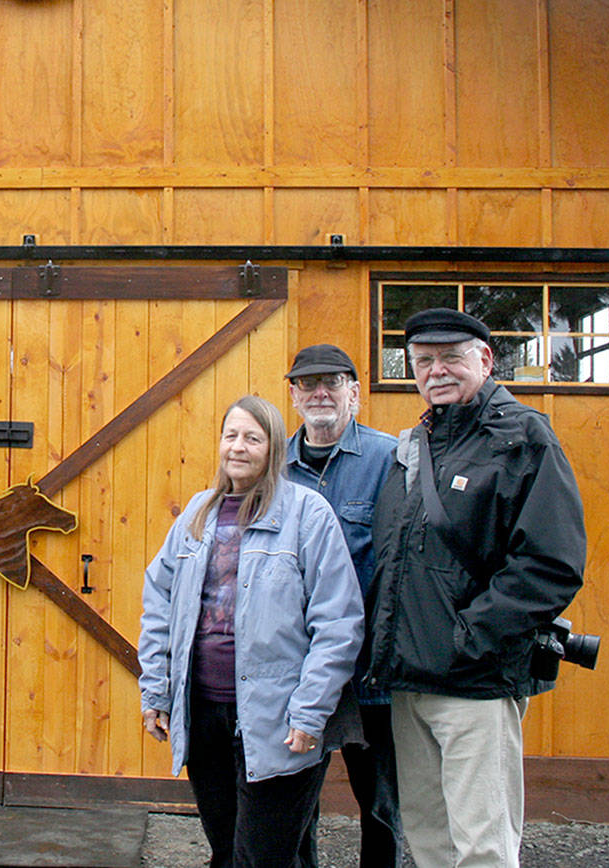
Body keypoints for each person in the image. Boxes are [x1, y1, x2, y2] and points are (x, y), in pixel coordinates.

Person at [365, 309, 586, 867]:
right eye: (423, 361)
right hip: (409, 684)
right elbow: (396, 562)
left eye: (450, 358)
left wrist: (468, 639)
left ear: (485, 359)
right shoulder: (414, 446)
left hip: (475, 683)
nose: (436, 371)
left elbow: (550, 564)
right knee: (429, 838)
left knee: (483, 847)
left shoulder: (523, 438)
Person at [138, 395, 365, 868]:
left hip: (278, 720)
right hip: (204, 715)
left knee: (262, 856)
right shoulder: (198, 515)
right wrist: (155, 692)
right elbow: (159, 603)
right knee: (227, 850)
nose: (238, 447)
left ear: (274, 448)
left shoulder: (308, 514)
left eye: (252, 438)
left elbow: (339, 623)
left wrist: (309, 713)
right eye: (230, 435)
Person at [283, 345, 403, 868]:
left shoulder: (389, 459)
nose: (320, 393)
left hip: (369, 669)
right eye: (307, 385)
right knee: (292, 800)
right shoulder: (272, 468)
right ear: (293, 396)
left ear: (355, 391)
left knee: (380, 803)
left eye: (332, 382)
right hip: (293, 666)